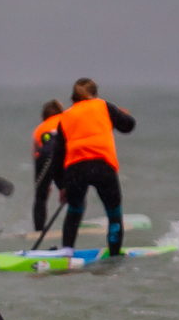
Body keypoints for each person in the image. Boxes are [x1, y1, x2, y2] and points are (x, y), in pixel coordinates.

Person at [46, 78, 135, 254]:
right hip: (103, 166)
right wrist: (121, 115)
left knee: (75, 210)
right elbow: (128, 126)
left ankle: (67, 251)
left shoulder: (65, 116)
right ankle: (114, 254)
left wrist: (61, 186)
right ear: (95, 93)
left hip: (75, 170)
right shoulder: (103, 106)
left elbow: (57, 156)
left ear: (74, 97)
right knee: (113, 212)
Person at [31, 99, 65, 233]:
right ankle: (74, 224)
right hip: (62, 155)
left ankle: (38, 231)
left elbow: (36, 153)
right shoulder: (65, 120)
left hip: (44, 158)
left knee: (40, 197)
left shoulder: (40, 128)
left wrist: (42, 184)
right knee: (73, 193)